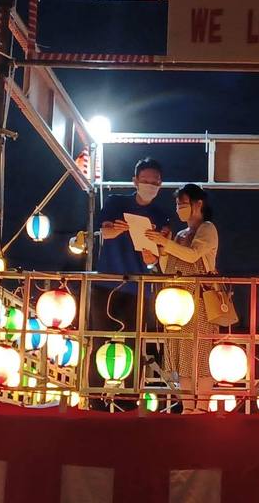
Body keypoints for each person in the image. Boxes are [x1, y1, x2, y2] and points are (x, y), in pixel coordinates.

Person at [89, 158, 170, 406]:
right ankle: (94, 397)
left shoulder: (161, 214)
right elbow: (104, 231)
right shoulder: (116, 202)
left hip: (139, 287)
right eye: (146, 181)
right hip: (106, 282)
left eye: (155, 182)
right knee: (99, 339)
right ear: (135, 181)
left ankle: (129, 400)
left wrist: (151, 256)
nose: (150, 186)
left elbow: (158, 256)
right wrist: (119, 229)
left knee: (134, 342)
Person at [147, 184, 219, 413]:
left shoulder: (207, 229)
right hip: (177, 301)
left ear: (198, 204)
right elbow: (168, 266)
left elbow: (193, 255)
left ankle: (202, 407)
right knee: (182, 356)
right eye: (177, 205)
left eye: (183, 204)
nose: (179, 208)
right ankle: (188, 407)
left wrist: (166, 244)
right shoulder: (180, 234)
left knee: (202, 356)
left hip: (200, 299)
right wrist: (161, 250)